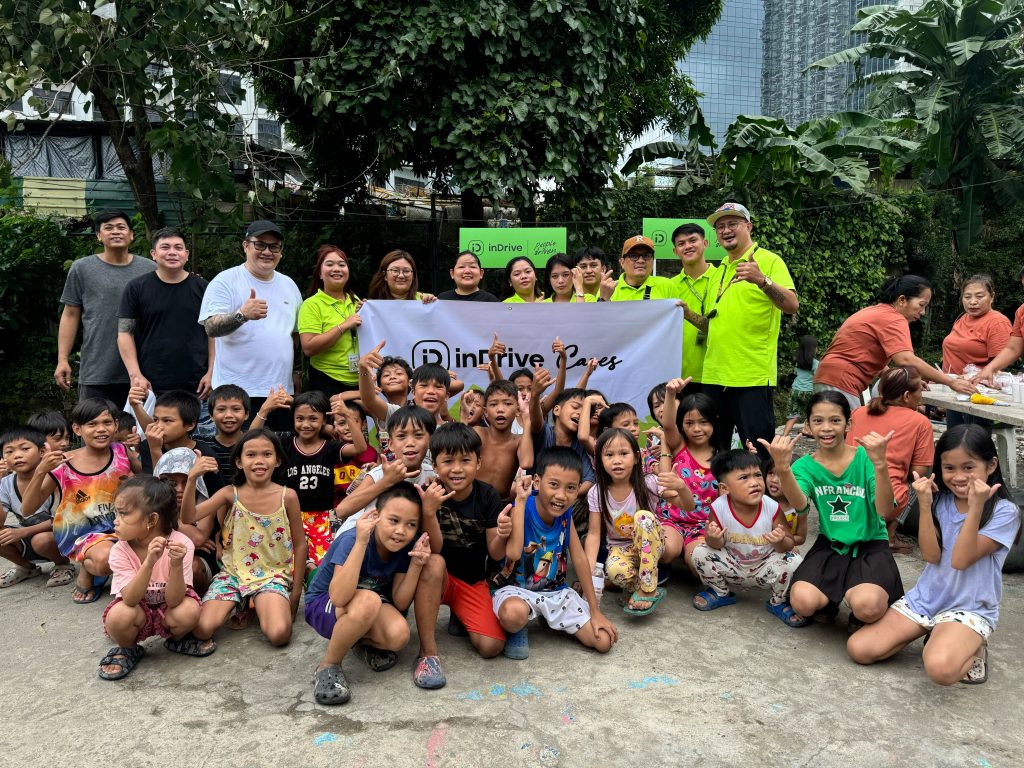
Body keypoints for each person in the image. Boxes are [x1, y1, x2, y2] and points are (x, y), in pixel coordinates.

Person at [847, 425, 1021, 686]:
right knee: (859, 649)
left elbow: (960, 560)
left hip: (970, 607)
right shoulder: (941, 500)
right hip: (927, 599)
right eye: (949, 468)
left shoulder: (1004, 511)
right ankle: (939, 633)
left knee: (940, 669)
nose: (958, 476)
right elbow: (930, 555)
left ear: (991, 465)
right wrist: (925, 505)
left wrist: (975, 508)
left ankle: (974, 646)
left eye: (968, 467)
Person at [763, 392, 902, 630]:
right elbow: (800, 504)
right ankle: (829, 601)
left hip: (870, 545)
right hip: (830, 544)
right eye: (818, 421)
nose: (826, 428)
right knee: (802, 602)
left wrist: (880, 464)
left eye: (835, 420)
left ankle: (856, 605)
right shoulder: (804, 466)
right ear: (808, 426)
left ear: (848, 424)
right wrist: (783, 468)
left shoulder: (866, 457)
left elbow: (885, 510)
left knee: (868, 607)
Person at [304, 483, 438, 705]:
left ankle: (359, 643)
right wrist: (361, 542)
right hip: (325, 602)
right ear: (376, 516)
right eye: (393, 520)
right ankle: (328, 666)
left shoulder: (404, 547)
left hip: (366, 603)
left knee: (398, 635)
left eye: (411, 524)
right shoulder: (351, 539)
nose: (401, 531)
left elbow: (400, 602)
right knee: (368, 600)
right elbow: (338, 597)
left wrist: (415, 565)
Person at [181, 429, 307, 648]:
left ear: (278, 460)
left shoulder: (288, 496)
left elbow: (300, 544)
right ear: (239, 462)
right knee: (202, 629)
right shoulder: (229, 493)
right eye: (251, 455)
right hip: (233, 574)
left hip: (272, 576)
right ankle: (244, 602)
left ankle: (255, 602)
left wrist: (295, 595)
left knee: (279, 634)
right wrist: (192, 478)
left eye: (267, 454)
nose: (259, 461)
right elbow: (188, 517)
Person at [492, 449, 618, 659]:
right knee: (513, 615)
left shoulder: (565, 514)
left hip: (555, 593)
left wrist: (595, 611)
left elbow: (579, 558)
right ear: (537, 482)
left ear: (578, 489)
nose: (561, 495)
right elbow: (513, 554)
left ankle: (547, 616)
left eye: (570, 488)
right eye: (554, 485)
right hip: (516, 592)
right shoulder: (521, 508)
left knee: (604, 640)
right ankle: (518, 627)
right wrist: (520, 502)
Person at [699, 203, 798, 461]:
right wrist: (687, 313)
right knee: (714, 451)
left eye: (733, 223)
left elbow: (791, 305)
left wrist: (763, 281)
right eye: (720, 226)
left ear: (749, 227)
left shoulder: (769, 260)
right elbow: (715, 322)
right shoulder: (719, 269)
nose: (726, 230)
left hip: (751, 376)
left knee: (759, 452)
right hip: (714, 374)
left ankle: (763, 488)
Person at [413, 424, 511, 668]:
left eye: (465, 460)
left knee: (491, 646)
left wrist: (502, 534)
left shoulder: (487, 496)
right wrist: (429, 511)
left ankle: (460, 614)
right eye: (448, 461)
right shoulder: (428, 493)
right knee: (435, 563)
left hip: (472, 580)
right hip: (438, 579)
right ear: (435, 466)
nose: (457, 469)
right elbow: (435, 548)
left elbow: (496, 553)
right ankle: (427, 652)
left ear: (478, 463)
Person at [98, 476, 210, 681]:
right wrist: (149, 563)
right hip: (137, 611)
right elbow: (130, 599)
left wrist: (176, 565)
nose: (115, 520)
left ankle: (176, 639)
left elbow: (175, 601)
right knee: (118, 616)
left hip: (167, 611)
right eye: (117, 513)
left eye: (123, 514)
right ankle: (129, 649)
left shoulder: (181, 544)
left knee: (189, 609)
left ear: (151, 520)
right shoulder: (120, 550)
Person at [20, 399, 132, 604]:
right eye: (92, 424)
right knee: (105, 559)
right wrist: (40, 471)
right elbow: (27, 509)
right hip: (83, 533)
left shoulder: (122, 451)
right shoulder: (63, 463)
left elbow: (143, 482)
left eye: (107, 422)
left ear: (116, 425)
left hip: (121, 526)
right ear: (77, 429)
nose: (101, 429)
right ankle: (88, 570)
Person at [814, 275, 976, 411]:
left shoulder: (877, 311)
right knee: (846, 434)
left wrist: (903, 379)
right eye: (921, 305)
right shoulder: (894, 318)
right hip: (841, 379)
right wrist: (951, 382)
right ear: (902, 300)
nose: (923, 312)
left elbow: (867, 359)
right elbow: (905, 360)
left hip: (830, 375)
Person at [198, 219, 302, 431]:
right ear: (245, 246)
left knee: (279, 448)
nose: (267, 252)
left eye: (274, 247)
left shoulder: (289, 284)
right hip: (237, 393)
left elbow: (295, 335)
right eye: (260, 245)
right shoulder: (225, 280)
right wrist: (242, 315)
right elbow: (211, 327)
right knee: (242, 449)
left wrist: (297, 374)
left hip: (280, 391)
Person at [690, 449, 805, 627]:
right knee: (700, 552)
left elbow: (789, 544)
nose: (754, 483)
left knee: (794, 560)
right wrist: (713, 538)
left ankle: (778, 601)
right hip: (732, 566)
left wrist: (780, 541)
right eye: (744, 477)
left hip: (765, 568)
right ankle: (720, 592)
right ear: (724, 488)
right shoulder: (719, 507)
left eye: (758, 475)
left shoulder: (771, 507)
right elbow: (715, 544)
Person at [55, 209, 156, 404]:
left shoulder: (151, 269)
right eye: (108, 228)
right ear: (98, 236)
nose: (115, 232)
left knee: (142, 425)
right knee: (95, 422)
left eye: (121, 227)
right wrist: (62, 359)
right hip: (97, 369)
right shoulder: (82, 268)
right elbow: (70, 314)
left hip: (143, 371)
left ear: (131, 235)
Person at [260, 391, 368, 569]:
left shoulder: (331, 447)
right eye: (300, 418)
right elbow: (254, 436)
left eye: (313, 419)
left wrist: (347, 415)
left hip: (321, 517)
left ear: (324, 420)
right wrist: (264, 409)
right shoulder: (285, 442)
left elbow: (360, 448)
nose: (306, 424)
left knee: (322, 565)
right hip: (287, 515)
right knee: (286, 563)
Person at [117, 227, 213, 402]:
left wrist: (212, 372)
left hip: (198, 387)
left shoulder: (204, 288)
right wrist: (136, 375)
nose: (172, 252)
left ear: (186, 254)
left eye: (178, 247)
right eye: (165, 247)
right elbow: (125, 333)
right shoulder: (136, 288)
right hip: (150, 386)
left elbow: (213, 334)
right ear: (153, 254)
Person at [848, 366, 934, 552]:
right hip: (883, 506)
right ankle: (889, 535)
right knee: (919, 479)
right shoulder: (920, 422)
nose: (921, 395)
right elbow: (918, 471)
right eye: (920, 390)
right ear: (906, 396)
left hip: (845, 499)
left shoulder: (859, 412)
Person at [584, 429, 668, 616]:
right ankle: (644, 586)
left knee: (643, 518)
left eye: (623, 453)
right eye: (609, 455)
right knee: (614, 571)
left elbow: (686, 504)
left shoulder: (649, 483)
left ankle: (647, 589)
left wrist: (681, 487)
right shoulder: (597, 492)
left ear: (637, 457)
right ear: (599, 461)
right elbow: (594, 533)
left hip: (651, 543)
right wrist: (588, 571)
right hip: (621, 548)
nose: (617, 460)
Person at [336, 406, 437, 532]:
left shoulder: (432, 475)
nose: (410, 443)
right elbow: (342, 510)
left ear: (430, 441)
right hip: (356, 537)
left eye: (418, 435)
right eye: (401, 436)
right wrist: (386, 481)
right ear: (391, 444)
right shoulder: (380, 473)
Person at [659, 383, 720, 575]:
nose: (697, 429)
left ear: (714, 421)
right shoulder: (679, 445)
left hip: (702, 526)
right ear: (682, 426)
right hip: (671, 519)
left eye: (703, 422)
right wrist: (670, 394)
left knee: (698, 563)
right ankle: (661, 565)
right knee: (667, 551)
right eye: (689, 423)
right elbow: (668, 425)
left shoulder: (722, 458)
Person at [0, 426, 72, 588]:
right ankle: (26, 568)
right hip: (28, 538)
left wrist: (23, 532)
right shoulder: (6, 483)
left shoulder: (54, 476)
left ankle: (62, 564)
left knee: (41, 540)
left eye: (25, 449)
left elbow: (65, 518)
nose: (17, 455)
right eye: (9, 451)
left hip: (58, 536)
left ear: (41, 452)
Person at [945, 275, 1012, 428]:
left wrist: (974, 378)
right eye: (967, 297)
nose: (973, 302)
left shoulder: (997, 322)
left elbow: (1001, 364)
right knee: (953, 437)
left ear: (992, 297)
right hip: (955, 389)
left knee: (972, 439)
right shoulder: (962, 318)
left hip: (979, 394)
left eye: (979, 296)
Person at [298, 245, 362, 398]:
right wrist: (343, 326)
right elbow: (308, 348)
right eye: (330, 264)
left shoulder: (355, 300)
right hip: (326, 380)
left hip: (358, 380)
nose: (337, 269)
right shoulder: (311, 304)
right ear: (320, 273)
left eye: (342, 264)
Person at [153, 447, 216, 597]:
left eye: (187, 482)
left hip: (199, 559)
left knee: (192, 566)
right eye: (173, 483)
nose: (180, 489)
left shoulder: (205, 502)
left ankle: (193, 601)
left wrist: (166, 515)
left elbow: (198, 538)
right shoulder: (149, 502)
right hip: (162, 555)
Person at [669, 223, 720, 390]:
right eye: (681, 243)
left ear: (705, 243)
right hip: (680, 376)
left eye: (693, 240)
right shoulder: (669, 286)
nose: (688, 246)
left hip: (718, 374)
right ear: (675, 251)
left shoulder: (722, 279)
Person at [474, 381, 533, 498]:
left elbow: (526, 463)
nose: (500, 409)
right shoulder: (479, 433)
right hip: (474, 500)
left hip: (502, 502)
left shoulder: (518, 441)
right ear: (485, 412)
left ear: (517, 410)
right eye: (493, 404)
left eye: (507, 403)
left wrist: (526, 417)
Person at [206, 384, 250, 486]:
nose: (229, 415)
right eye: (221, 409)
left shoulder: (253, 443)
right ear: (211, 415)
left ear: (246, 414)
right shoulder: (202, 444)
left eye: (236, 409)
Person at [609, 236, 677, 301]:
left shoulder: (667, 286)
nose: (641, 261)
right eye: (634, 256)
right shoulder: (610, 289)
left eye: (646, 256)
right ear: (622, 262)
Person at [367, 250, 435, 302]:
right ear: (385, 275)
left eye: (406, 271)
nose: (401, 276)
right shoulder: (372, 306)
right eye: (395, 270)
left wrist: (432, 303)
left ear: (413, 276)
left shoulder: (424, 301)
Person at [785, 335, 818, 434]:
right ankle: (808, 430)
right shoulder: (816, 363)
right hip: (808, 392)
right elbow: (817, 378)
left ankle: (784, 436)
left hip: (795, 391)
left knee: (793, 416)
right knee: (812, 412)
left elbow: (796, 373)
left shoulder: (797, 362)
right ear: (812, 349)